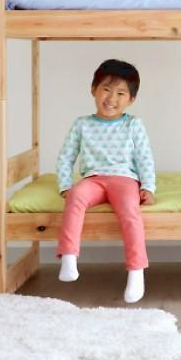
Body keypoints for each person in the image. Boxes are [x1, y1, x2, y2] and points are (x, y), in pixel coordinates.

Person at [55, 59, 156, 303]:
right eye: (106, 89)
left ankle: (136, 272)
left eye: (120, 93)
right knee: (76, 196)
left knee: (130, 211)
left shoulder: (133, 124)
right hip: (93, 179)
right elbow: (65, 157)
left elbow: (145, 158)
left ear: (131, 99)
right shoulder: (82, 124)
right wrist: (65, 186)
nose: (111, 98)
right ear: (93, 90)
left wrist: (148, 187)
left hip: (124, 179)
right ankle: (69, 257)